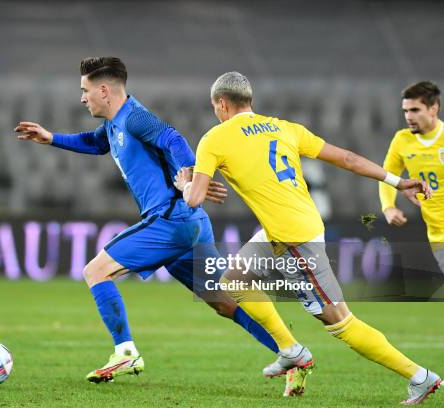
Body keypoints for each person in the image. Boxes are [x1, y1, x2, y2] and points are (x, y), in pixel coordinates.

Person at [176, 71, 440, 404]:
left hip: (294, 239)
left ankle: (420, 377)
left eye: (215, 106)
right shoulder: (285, 128)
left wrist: (184, 184)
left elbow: (194, 199)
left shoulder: (215, 138)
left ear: (221, 103)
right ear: (249, 101)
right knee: (233, 280)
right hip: (290, 226)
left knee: (339, 321)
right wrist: (396, 181)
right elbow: (347, 158)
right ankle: (291, 350)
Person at [14, 57, 280, 385]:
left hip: (170, 220)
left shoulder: (135, 117)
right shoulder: (114, 124)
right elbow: (95, 143)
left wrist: (193, 176)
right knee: (225, 302)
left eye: (85, 91)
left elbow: (173, 139)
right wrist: (51, 137)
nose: (82, 98)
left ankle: (125, 352)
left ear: (104, 90)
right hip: (190, 224)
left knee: (95, 271)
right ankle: (289, 351)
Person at [380, 81, 444, 273]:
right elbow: (387, 175)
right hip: (438, 235)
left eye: (415, 110)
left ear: (433, 109)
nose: (409, 117)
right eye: (405, 111)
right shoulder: (402, 140)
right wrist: (388, 207)